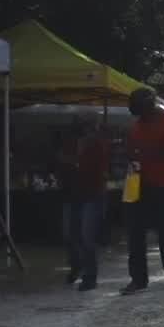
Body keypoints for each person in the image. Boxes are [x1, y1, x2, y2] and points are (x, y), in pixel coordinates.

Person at [121, 88, 164, 295]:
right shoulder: (137, 125)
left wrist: (151, 154)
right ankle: (138, 280)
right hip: (138, 184)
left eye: (139, 108)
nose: (137, 112)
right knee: (135, 234)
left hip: (163, 185)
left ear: (149, 105)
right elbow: (131, 149)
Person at [60, 120, 109, 291]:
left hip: (91, 195)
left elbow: (99, 172)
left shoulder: (96, 147)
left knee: (86, 236)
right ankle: (77, 267)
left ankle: (90, 276)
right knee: (70, 235)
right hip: (73, 194)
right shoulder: (71, 145)